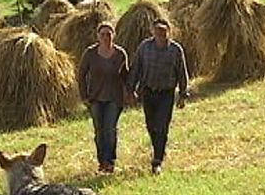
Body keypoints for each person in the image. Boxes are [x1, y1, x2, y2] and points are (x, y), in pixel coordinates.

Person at [128, 18, 189, 175]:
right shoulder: (144, 47)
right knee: (151, 125)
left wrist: (183, 94)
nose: (160, 33)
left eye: (163, 30)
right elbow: (136, 68)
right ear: (152, 31)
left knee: (162, 126)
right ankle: (158, 148)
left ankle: (157, 160)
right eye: (157, 30)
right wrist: (131, 89)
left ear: (169, 31)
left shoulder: (176, 50)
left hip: (166, 93)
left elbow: (182, 73)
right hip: (148, 92)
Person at [77, 21, 129, 173]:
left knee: (110, 130)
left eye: (109, 34)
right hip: (95, 99)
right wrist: (84, 95)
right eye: (103, 34)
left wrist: (130, 92)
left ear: (114, 35)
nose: (106, 37)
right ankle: (102, 162)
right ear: (98, 37)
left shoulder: (120, 54)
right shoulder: (90, 54)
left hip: (114, 98)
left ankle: (110, 161)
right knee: (99, 131)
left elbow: (126, 75)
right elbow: (81, 75)